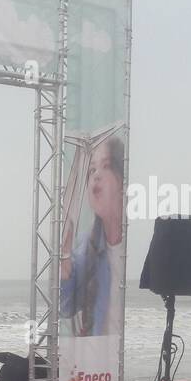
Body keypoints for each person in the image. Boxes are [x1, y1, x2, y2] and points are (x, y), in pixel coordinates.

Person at [60, 134, 126, 337]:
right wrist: (65, 240)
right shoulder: (85, 246)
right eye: (91, 170)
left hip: (125, 357)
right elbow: (65, 305)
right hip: (96, 361)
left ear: (122, 182)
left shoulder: (131, 246)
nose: (96, 175)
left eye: (105, 166)